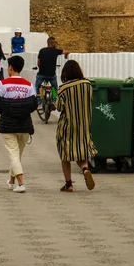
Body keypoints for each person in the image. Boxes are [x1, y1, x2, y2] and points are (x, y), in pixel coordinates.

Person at [0, 56, 38, 193]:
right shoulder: (28, 85)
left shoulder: (2, 84)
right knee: (18, 155)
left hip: (7, 124)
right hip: (24, 124)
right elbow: (33, 104)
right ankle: (11, 181)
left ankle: (21, 183)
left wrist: (5, 112)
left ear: (10, 67)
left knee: (13, 154)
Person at [56, 60, 97, 193]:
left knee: (65, 155)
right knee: (80, 151)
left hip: (67, 126)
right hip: (84, 125)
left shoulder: (63, 88)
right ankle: (85, 169)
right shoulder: (88, 85)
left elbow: (59, 107)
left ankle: (69, 184)